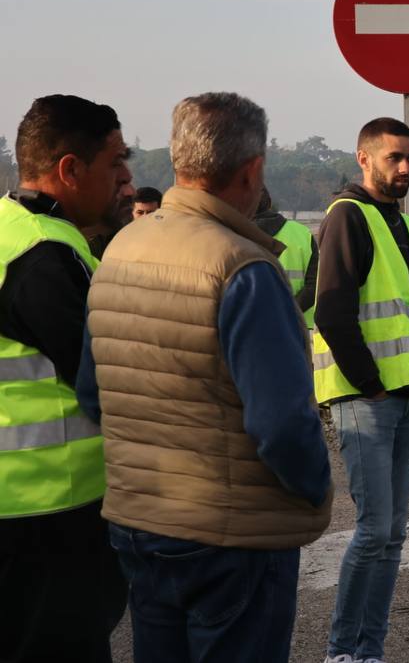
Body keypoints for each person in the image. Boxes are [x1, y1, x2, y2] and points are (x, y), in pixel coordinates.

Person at [77, 92, 332, 663]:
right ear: (253, 170)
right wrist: (316, 488)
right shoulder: (243, 267)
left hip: (140, 522)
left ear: (178, 161)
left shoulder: (120, 250)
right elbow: (283, 425)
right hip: (232, 536)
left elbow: (94, 393)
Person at [0, 94, 131, 662]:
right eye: (115, 162)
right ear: (69, 170)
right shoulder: (45, 254)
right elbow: (104, 380)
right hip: (49, 511)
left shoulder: (10, 230)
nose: (127, 178)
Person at [313, 116, 409, 663]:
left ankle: (370, 650)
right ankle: (342, 651)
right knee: (372, 532)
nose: (406, 168)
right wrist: (370, 385)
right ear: (364, 158)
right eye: (395, 158)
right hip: (367, 399)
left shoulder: (408, 227)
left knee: (392, 535)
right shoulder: (348, 217)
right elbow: (331, 312)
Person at [254, 187, 318, 326]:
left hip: (249, 329)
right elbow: (315, 284)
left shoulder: (230, 235)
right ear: (270, 204)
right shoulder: (302, 234)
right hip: (297, 328)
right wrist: (287, 313)